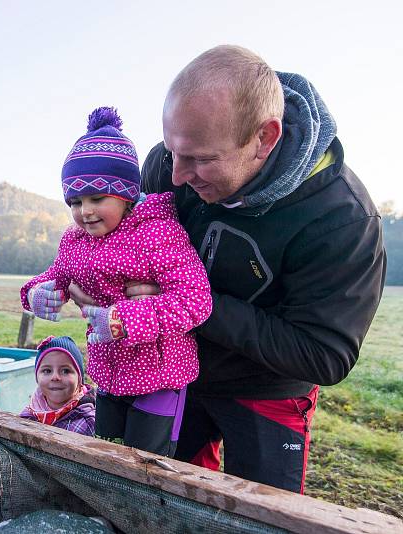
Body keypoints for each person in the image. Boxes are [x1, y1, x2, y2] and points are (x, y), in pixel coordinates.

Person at [71, 45, 386, 493]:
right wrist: (91, 281)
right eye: (172, 152)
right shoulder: (170, 162)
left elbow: (325, 355)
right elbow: (125, 243)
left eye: (199, 160)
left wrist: (194, 306)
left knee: (263, 513)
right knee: (157, 496)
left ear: (264, 138)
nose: (176, 176)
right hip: (174, 368)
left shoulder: (343, 221)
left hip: (267, 387)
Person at [21, 107, 212, 456]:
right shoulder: (75, 240)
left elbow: (195, 300)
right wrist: (37, 293)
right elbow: (57, 276)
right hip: (108, 376)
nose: (86, 212)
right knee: (106, 455)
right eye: (75, 202)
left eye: (97, 198)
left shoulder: (157, 233)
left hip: (160, 377)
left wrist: (121, 320)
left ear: (125, 195)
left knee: (146, 466)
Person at [19, 336, 96, 436]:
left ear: (80, 379)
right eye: (47, 371)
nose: (55, 377)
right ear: (37, 377)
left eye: (65, 371)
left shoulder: (89, 424)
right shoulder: (29, 415)